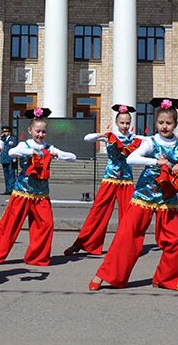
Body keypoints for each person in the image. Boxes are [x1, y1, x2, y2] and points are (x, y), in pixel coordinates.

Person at [89, 98, 178, 291]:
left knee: (174, 240)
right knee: (127, 236)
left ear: (175, 125)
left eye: (168, 123)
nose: (164, 126)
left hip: (166, 199)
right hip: (143, 196)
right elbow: (131, 158)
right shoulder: (151, 142)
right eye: (161, 122)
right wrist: (155, 162)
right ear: (156, 123)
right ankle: (105, 275)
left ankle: (165, 278)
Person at [0, 108, 76, 267]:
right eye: (37, 131)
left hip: (41, 195)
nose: (40, 135)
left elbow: (72, 157)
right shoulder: (23, 145)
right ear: (30, 130)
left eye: (43, 132)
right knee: (10, 224)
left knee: (46, 225)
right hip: (22, 193)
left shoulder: (49, 147)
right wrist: (31, 152)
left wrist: (56, 154)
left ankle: (37, 257)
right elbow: (11, 152)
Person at [64, 104, 140, 256]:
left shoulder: (134, 139)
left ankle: (126, 245)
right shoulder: (110, 136)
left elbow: (152, 141)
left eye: (127, 123)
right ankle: (82, 243)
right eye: (122, 122)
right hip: (110, 179)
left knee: (129, 214)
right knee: (98, 212)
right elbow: (87, 138)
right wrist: (102, 135)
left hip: (127, 180)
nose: (124, 126)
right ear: (116, 123)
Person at [0, 125, 18, 195]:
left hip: (11, 159)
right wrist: (1, 139)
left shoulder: (13, 139)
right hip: (4, 159)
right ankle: (7, 189)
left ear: (9, 132)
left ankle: (11, 189)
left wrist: (15, 158)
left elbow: (15, 148)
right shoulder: (2, 140)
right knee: (6, 175)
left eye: (6, 132)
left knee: (11, 175)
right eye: (4, 132)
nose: (5, 133)